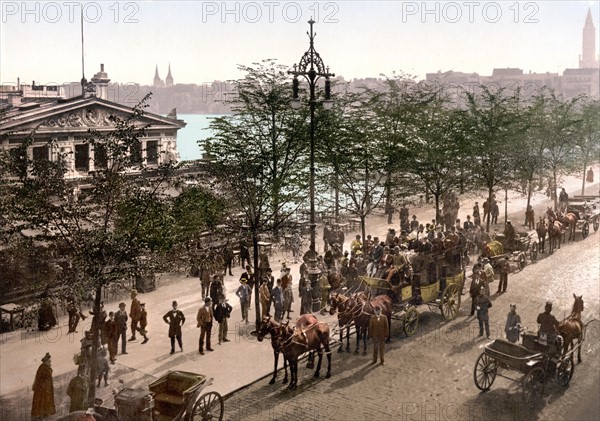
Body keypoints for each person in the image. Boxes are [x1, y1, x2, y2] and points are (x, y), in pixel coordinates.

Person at [31, 352, 55, 420]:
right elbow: (39, 380)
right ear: (46, 361)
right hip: (42, 391)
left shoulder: (45, 367)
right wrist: (44, 387)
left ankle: (45, 415)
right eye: (49, 361)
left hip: (46, 389)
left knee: (46, 404)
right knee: (42, 404)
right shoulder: (42, 368)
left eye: (50, 360)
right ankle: (42, 416)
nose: (50, 362)